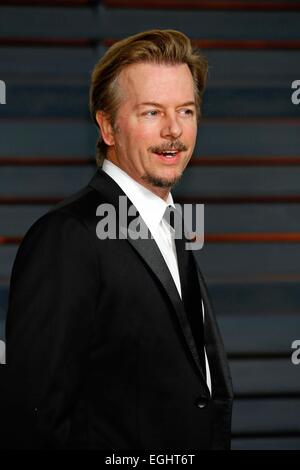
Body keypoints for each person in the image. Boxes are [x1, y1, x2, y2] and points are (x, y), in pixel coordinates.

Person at [5, 29, 233, 450]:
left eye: (185, 111)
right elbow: (32, 424)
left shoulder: (169, 224)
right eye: (151, 113)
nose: (173, 131)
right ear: (108, 126)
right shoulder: (66, 238)